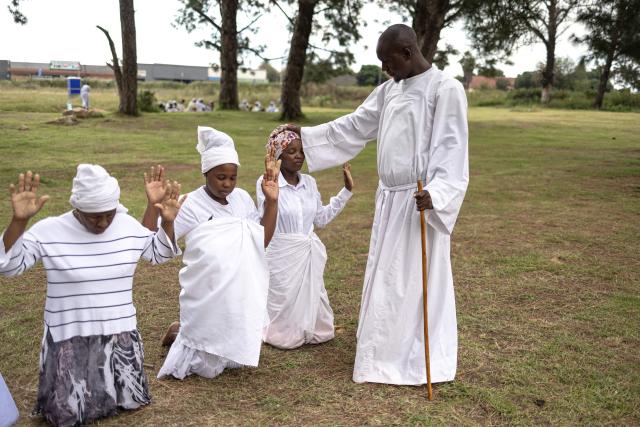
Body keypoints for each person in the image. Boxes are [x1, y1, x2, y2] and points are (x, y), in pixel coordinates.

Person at [284, 24, 469, 386]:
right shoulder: (388, 91)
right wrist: (304, 137)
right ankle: (381, 351)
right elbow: (355, 126)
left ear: (407, 52)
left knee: (411, 281)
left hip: (419, 201)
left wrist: (438, 193)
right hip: (390, 200)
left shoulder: (445, 89)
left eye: (388, 61)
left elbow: (453, 147)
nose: (385, 70)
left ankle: (409, 358)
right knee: (385, 277)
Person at [0, 164, 183, 426]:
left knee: (126, 403)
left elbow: (159, 253)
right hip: (70, 334)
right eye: (93, 216)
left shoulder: (125, 225)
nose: (103, 222)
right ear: (77, 208)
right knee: (69, 414)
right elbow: (8, 265)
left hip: (120, 330)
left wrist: (167, 221)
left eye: (108, 214)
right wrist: (19, 221)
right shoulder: (50, 230)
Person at [150, 126, 281, 380]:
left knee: (229, 348)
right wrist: (167, 220)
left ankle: (181, 330)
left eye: (232, 178)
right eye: (221, 177)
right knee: (202, 363)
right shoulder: (190, 203)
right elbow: (162, 248)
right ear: (205, 173)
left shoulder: (242, 198)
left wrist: (272, 202)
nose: (227, 184)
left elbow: (260, 241)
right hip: (206, 287)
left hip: (238, 285)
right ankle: (180, 332)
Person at [256, 126, 353, 349]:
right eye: (291, 151)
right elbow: (264, 221)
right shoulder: (267, 183)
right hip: (282, 254)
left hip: (308, 253)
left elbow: (320, 219)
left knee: (322, 332)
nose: (299, 156)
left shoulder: (309, 183)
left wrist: (346, 191)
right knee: (285, 335)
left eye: (301, 150)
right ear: (277, 155)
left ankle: (308, 326)